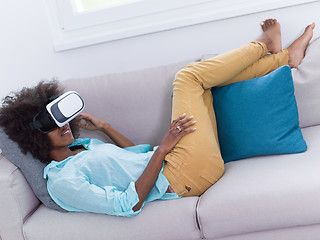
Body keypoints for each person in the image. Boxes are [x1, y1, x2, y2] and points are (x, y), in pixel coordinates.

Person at [0, 19, 315, 217]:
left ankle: (285, 60)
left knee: (204, 86)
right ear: (34, 135)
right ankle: (269, 48)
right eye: (53, 124)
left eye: (63, 117)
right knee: (187, 79)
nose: (64, 125)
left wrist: (105, 128)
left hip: (179, 163)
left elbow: (134, 157)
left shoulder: (84, 148)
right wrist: (164, 148)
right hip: (184, 177)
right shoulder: (62, 181)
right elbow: (127, 203)